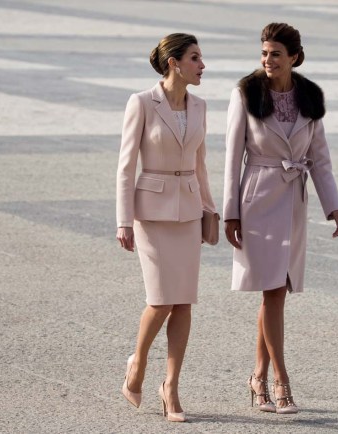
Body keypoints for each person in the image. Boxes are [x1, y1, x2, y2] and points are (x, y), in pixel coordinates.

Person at [223, 23, 338, 415]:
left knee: (275, 292)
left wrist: (334, 206)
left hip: (293, 201)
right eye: (263, 53)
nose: (267, 60)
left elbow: (321, 159)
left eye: (275, 53)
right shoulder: (245, 93)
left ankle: (257, 378)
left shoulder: (310, 97)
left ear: (294, 56)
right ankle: (281, 381)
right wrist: (230, 213)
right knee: (273, 291)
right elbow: (230, 159)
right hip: (257, 201)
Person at [116, 33, 215, 423]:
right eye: (195, 58)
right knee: (161, 300)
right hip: (151, 213)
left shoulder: (201, 106)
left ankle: (170, 386)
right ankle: (138, 362)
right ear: (174, 62)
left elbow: (202, 163)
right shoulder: (141, 102)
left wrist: (210, 209)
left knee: (184, 301)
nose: (202, 65)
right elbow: (126, 167)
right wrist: (123, 219)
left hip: (189, 211)